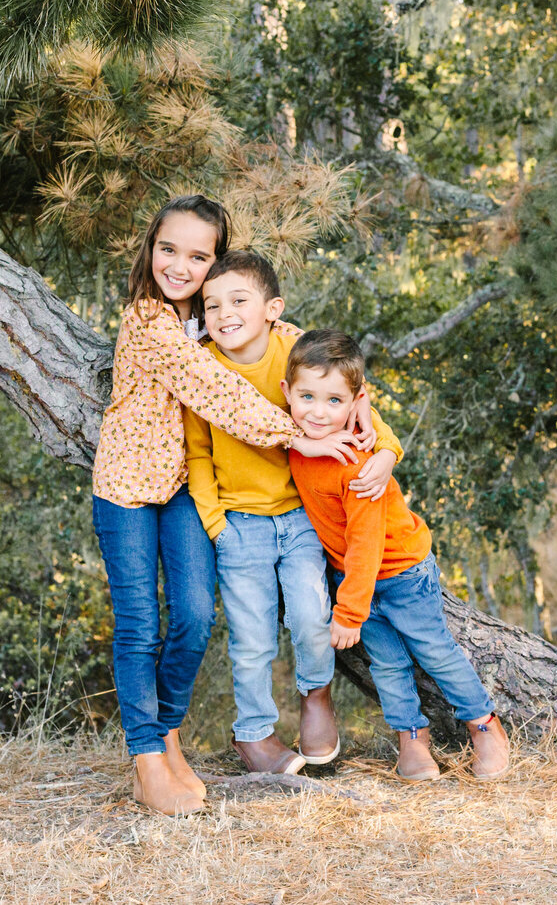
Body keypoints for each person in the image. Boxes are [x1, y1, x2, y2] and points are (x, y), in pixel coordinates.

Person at [91, 196, 364, 816]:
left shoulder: (219, 317)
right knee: (140, 627)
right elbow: (211, 389)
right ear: (150, 249)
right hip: (128, 489)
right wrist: (306, 433)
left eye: (197, 256)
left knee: (191, 615)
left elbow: (295, 342)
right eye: (168, 249)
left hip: (186, 488)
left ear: (216, 262)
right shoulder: (148, 319)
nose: (179, 266)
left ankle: (167, 736)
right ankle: (145, 759)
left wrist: (358, 400)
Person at [184, 251, 402, 775]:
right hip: (239, 525)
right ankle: (254, 733)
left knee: (310, 616)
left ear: (272, 309)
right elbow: (197, 453)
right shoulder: (200, 367)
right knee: (252, 636)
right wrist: (216, 526)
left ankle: (317, 698)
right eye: (211, 304)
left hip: (301, 518)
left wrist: (388, 451)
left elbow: (353, 403)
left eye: (239, 300)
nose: (224, 313)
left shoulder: (290, 350)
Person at [283, 329, 512, 783]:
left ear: (355, 403)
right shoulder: (295, 436)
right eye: (307, 396)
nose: (317, 412)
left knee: (435, 653)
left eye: (334, 401)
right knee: (387, 665)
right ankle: (413, 737)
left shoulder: (358, 460)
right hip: (357, 580)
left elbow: (367, 545)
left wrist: (349, 613)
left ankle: (484, 725)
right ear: (287, 392)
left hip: (401, 572)